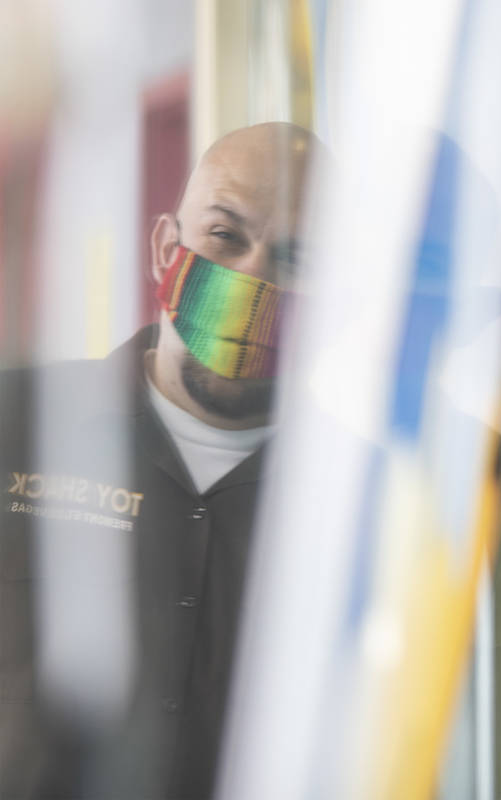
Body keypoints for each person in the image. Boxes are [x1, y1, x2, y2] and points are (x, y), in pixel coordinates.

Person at [0, 122, 319, 799]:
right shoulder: (20, 422)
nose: (251, 277)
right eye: (225, 235)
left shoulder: (353, 496)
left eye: (297, 257)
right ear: (165, 248)